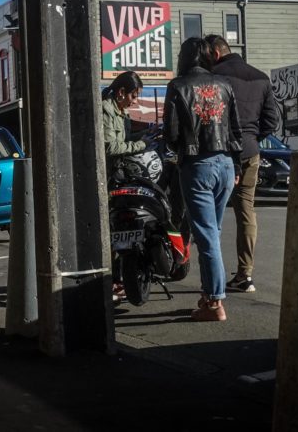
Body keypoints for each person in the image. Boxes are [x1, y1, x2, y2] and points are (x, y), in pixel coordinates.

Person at [162, 37, 242, 321]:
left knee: (207, 237)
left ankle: (215, 303)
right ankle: (210, 295)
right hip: (226, 164)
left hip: (197, 165)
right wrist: (236, 165)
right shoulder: (225, 84)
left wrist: (179, 148)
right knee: (213, 234)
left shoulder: (178, 86)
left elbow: (170, 135)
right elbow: (236, 130)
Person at [205, 35, 281, 294]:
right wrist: (251, 138)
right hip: (251, 152)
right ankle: (245, 274)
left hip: (221, 152)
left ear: (215, 53)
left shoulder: (213, 76)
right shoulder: (260, 77)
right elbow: (272, 122)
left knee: (210, 212)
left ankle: (210, 279)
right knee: (246, 210)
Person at [100, 70, 149, 180]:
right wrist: (141, 144)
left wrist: (146, 133)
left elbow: (124, 140)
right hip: (108, 172)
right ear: (121, 92)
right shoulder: (106, 109)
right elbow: (111, 147)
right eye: (133, 96)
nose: (135, 101)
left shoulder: (123, 111)